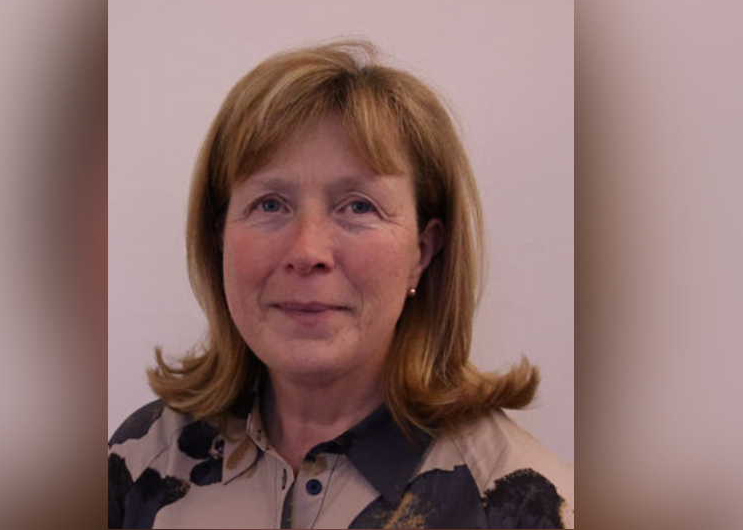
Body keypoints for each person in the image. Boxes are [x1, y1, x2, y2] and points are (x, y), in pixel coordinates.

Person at [109, 40, 574, 529]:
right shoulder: (143, 460)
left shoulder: (522, 506)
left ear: (423, 251)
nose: (307, 252)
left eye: (358, 206)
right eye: (270, 204)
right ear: (218, 236)